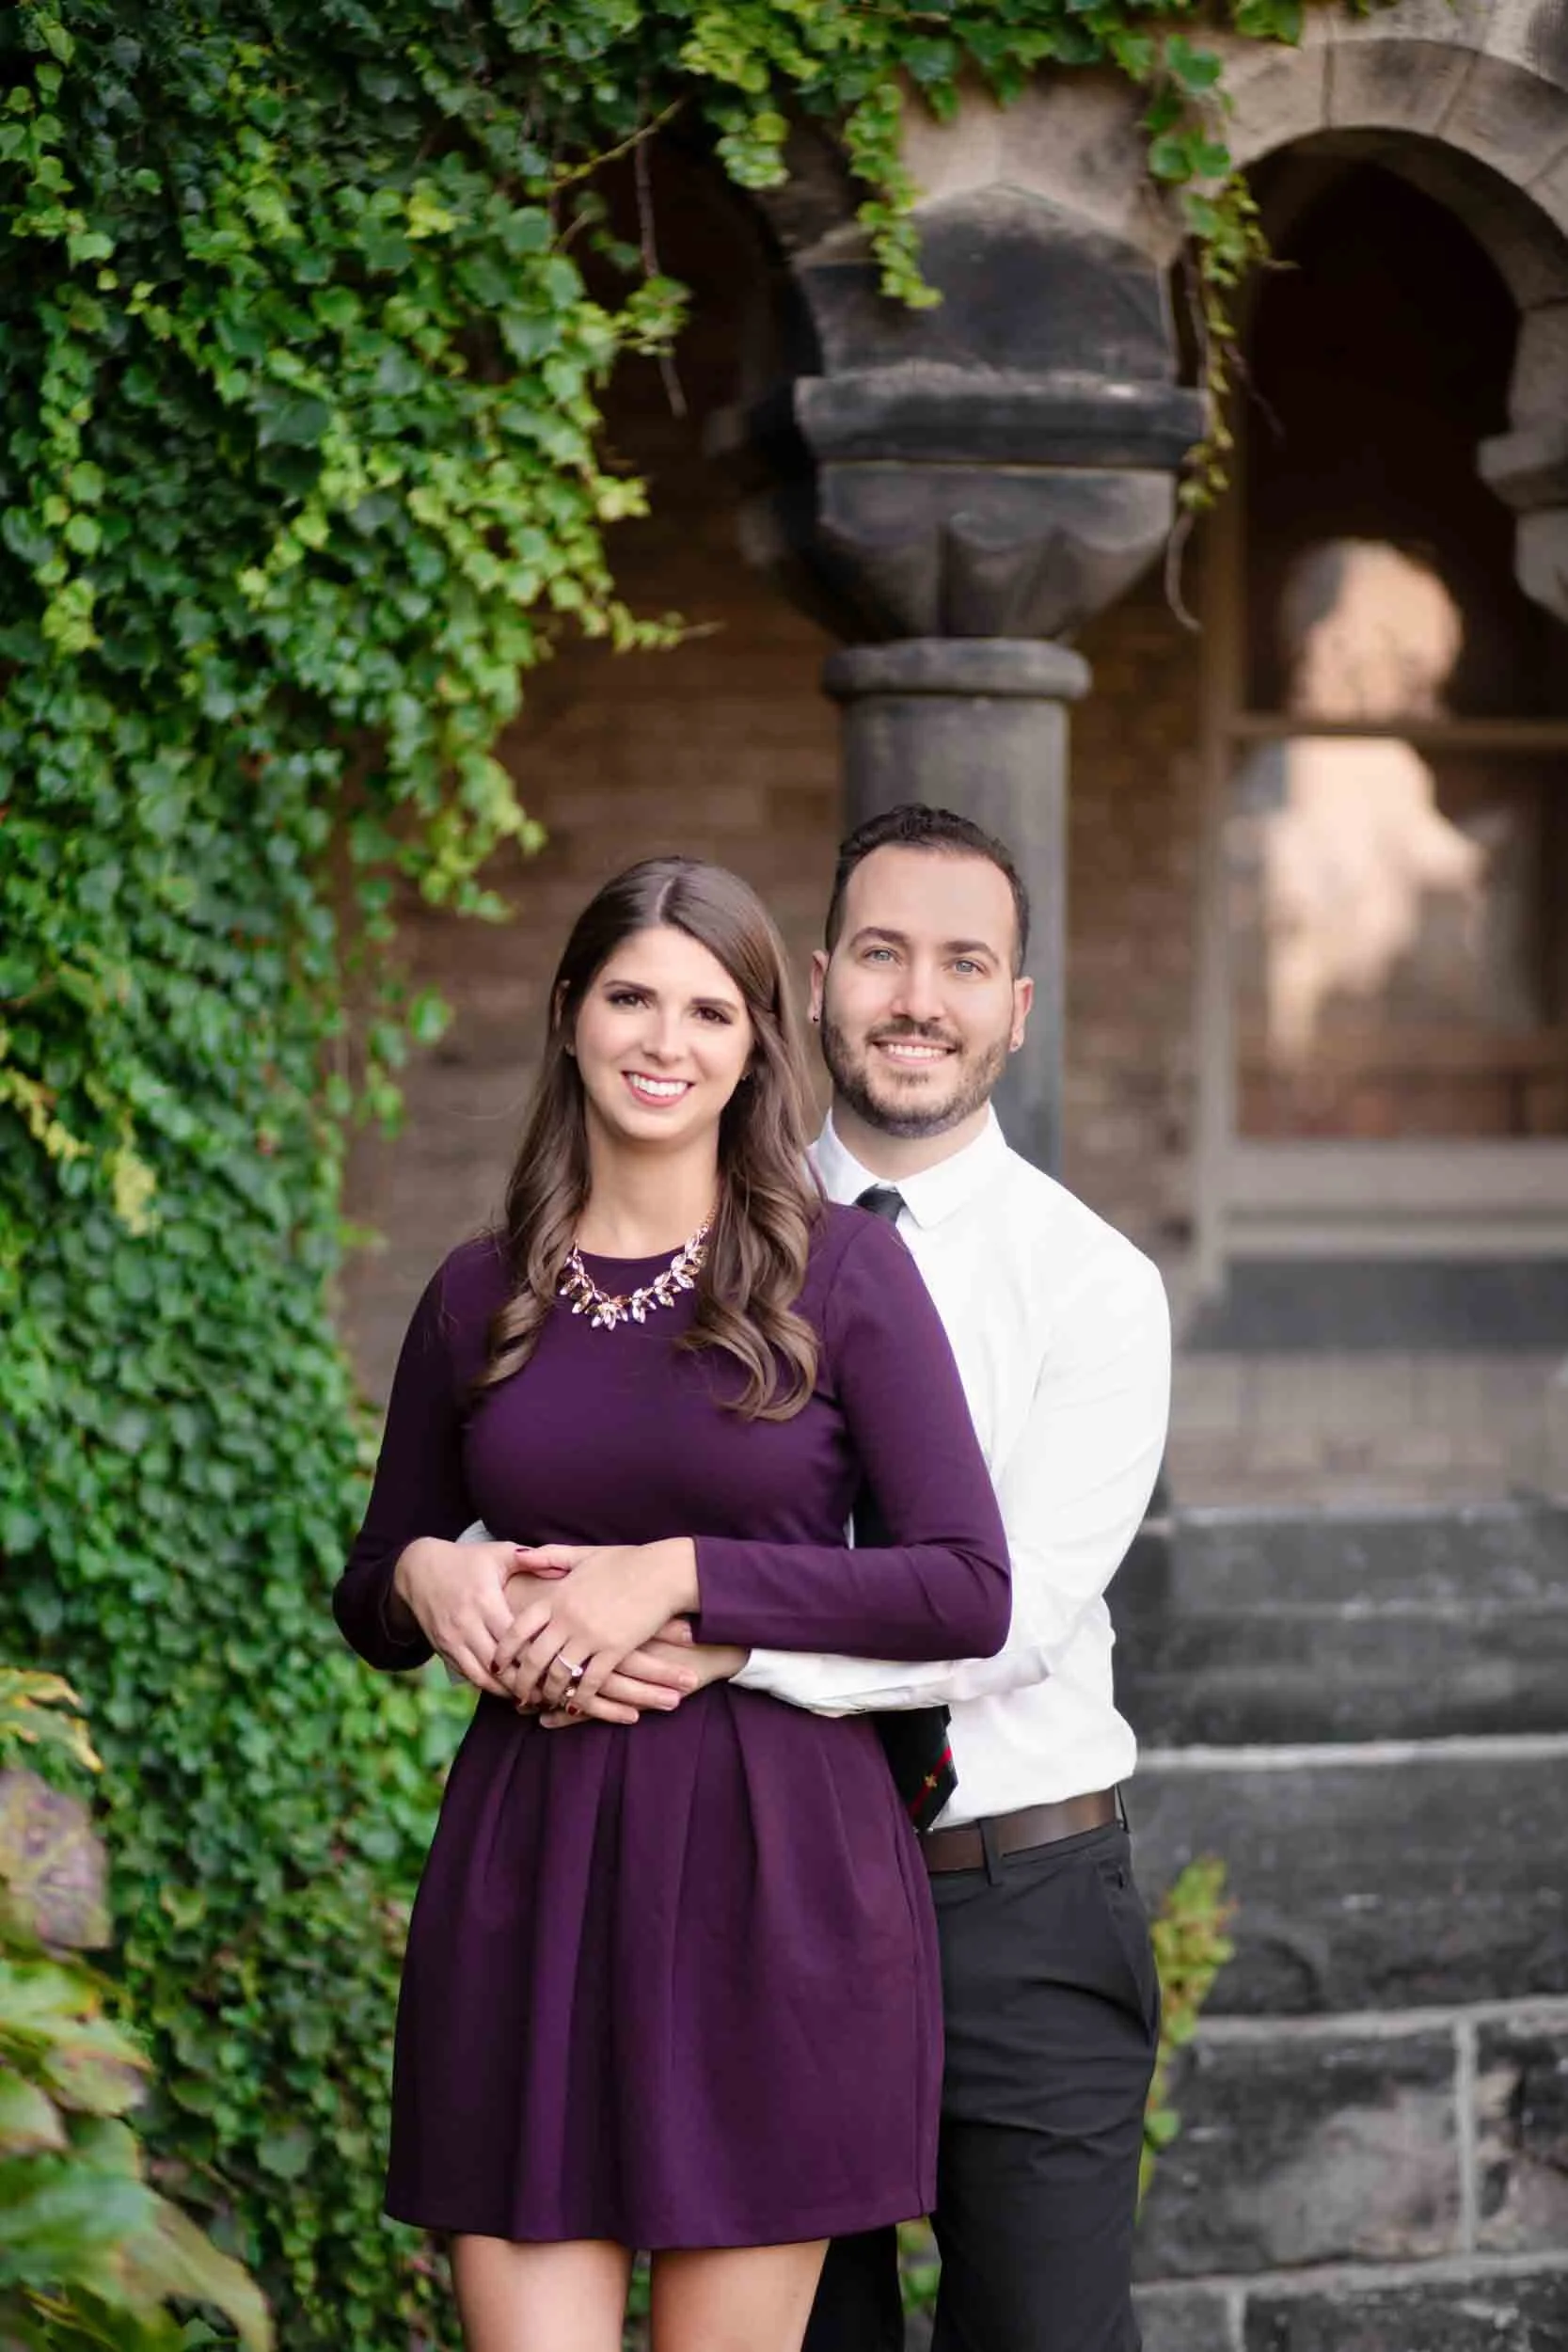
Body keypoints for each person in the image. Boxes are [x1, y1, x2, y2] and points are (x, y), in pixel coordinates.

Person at [331, 854, 1010, 2352]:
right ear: (570, 1013)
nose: (665, 1040)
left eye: (710, 1009)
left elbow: (965, 1586)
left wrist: (687, 1576)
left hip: (772, 1874)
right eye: (631, 996)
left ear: (758, 1042)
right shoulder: (475, 1290)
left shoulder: (842, 1276)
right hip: (532, 1867)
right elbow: (373, 1589)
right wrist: (434, 1573)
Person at [551, 807, 1172, 2352]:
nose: (919, 998)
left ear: (1016, 1009)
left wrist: (714, 1630)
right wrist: (455, 1566)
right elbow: (563, 1475)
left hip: (1007, 1900)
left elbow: (1004, 1614)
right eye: (883, 953)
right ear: (817, 985)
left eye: (965, 964)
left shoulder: (1093, 1283)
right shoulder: (673, 1234)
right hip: (759, 1886)